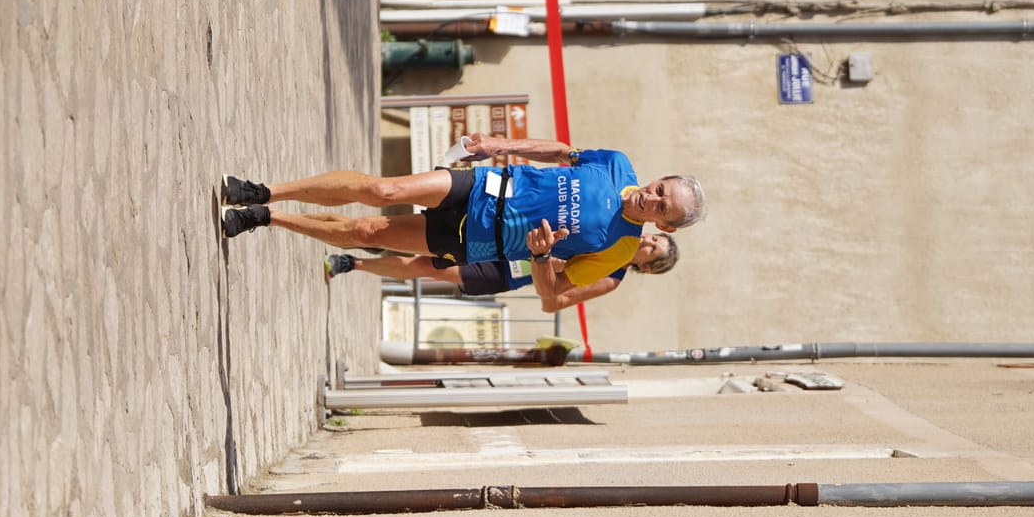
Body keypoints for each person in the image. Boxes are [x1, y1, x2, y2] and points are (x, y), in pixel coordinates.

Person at [218, 133, 706, 270]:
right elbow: (562, 151)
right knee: (380, 191)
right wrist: (500, 147)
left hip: (478, 241)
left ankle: (267, 217)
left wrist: (538, 257)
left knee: (367, 234)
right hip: (483, 186)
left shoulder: (619, 249)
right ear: (659, 178)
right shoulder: (616, 163)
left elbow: (550, 297)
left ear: (666, 228)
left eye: (663, 208)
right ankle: (265, 190)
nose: (653, 199)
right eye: (661, 190)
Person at [320, 221, 679, 313]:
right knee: (428, 243)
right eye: (652, 239)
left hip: (509, 271)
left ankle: (354, 263)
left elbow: (554, 301)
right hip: (511, 239)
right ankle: (367, 239)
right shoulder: (614, 232)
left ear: (646, 269)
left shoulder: (611, 278)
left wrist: (551, 268)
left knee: (428, 267)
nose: (646, 242)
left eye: (652, 250)